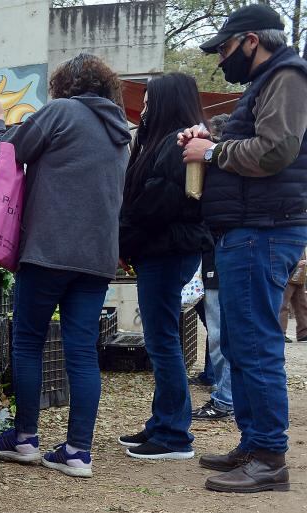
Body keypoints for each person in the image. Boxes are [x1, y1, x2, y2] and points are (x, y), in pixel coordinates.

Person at [0, 54, 131, 478]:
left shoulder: (62, 111)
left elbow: (6, 152)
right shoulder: (121, 131)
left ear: (66, 84)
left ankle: (25, 439)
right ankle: (78, 452)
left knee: (27, 341)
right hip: (98, 259)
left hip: (49, 251)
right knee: (82, 350)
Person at [180, 3, 307, 493]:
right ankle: (254, 443)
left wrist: (212, 152)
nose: (219, 61)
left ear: (252, 40)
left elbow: (277, 150)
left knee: (255, 346)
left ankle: (270, 457)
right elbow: (258, 141)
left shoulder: (288, 77)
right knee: (239, 342)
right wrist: (211, 138)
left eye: (225, 49)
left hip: (263, 230)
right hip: (247, 230)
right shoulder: (267, 82)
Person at [116, 73, 214, 460]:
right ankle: (163, 423)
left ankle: (174, 434)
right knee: (162, 341)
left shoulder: (179, 144)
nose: (144, 108)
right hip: (162, 250)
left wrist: (122, 237)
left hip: (166, 251)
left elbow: (155, 205)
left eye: (149, 100)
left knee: (162, 342)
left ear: (167, 101)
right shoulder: (170, 142)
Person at [191, 113, 235, 421]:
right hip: (220, 260)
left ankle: (224, 399)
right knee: (222, 333)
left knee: (220, 335)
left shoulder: (218, 170)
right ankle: (226, 394)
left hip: (217, 261)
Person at [279, 249, 307, 342]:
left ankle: (303, 333)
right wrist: (296, 264)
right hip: (288, 276)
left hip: (300, 277)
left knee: (302, 305)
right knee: (283, 306)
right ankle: (280, 333)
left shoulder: (302, 242)